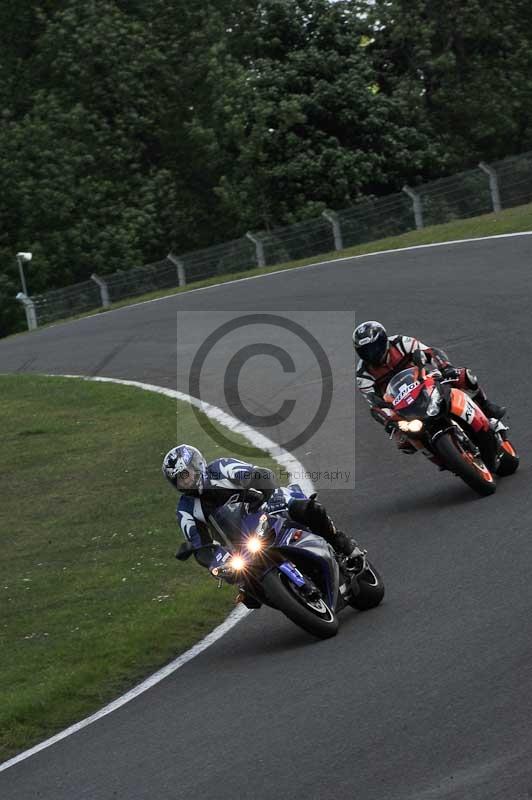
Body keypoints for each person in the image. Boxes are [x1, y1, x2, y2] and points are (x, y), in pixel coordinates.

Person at [162, 445, 361, 605]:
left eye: (186, 474)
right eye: (179, 480)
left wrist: (271, 496)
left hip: (265, 509)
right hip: (241, 544)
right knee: (248, 594)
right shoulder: (185, 510)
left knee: (306, 508)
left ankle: (341, 543)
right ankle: (289, 597)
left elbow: (260, 474)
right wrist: (214, 562)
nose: (185, 482)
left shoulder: (221, 468)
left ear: (197, 465)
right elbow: (200, 547)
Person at [353, 320, 505, 453]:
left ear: (384, 341)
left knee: (464, 376)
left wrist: (445, 367)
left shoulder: (400, 343)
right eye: (365, 351)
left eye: (374, 348)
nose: (371, 354)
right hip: (400, 404)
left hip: (424, 382)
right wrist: (388, 422)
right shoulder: (363, 374)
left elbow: (430, 352)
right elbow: (375, 403)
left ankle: (486, 406)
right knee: (404, 442)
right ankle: (440, 455)